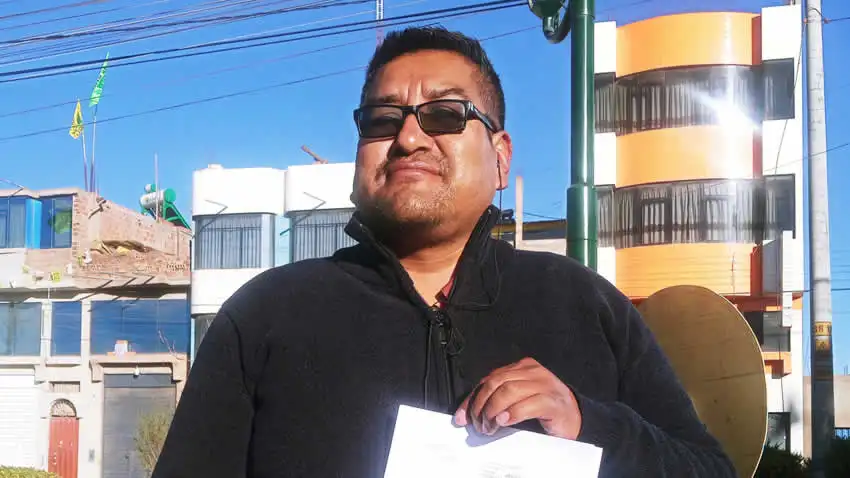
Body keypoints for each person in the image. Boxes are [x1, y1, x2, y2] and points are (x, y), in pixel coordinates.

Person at [152, 27, 736, 478]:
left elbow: (709, 469)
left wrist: (588, 425)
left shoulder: (586, 305)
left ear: (501, 158)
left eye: (444, 115)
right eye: (382, 120)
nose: (408, 138)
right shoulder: (266, 315)